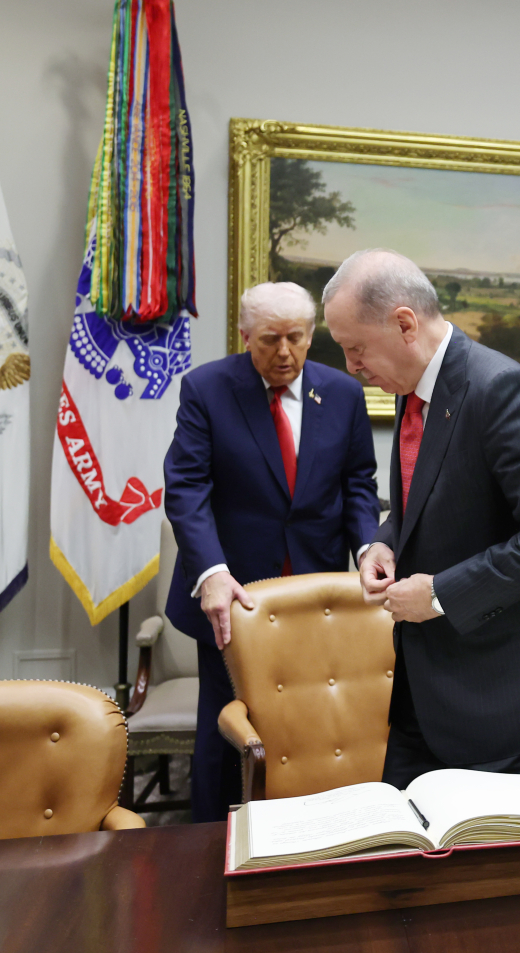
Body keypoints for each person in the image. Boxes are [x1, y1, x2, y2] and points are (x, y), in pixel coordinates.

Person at [323, 249, 520, 790]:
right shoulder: (410, 386)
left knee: (487, 849)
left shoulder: (500, 388)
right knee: (402, 838)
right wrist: (385, 541)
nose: (351, 366)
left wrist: (439, 594)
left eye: (355, 348)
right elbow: (428, 496)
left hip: (506, 694)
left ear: (405, 324)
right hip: (427, 691)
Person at [164, 281, 381, 821]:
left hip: (313, 596)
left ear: (311, 335)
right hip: (232, 597)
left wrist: (367, 549)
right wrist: (210, 573)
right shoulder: (207, 389)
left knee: (311, 728)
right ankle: (215, 842)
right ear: (244, 336)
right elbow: (187, 488)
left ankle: (310, 837)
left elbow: (358, 484)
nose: (284, 352)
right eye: (269, 339)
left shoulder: (343, 393)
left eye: (296, 338)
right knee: (226, 731)